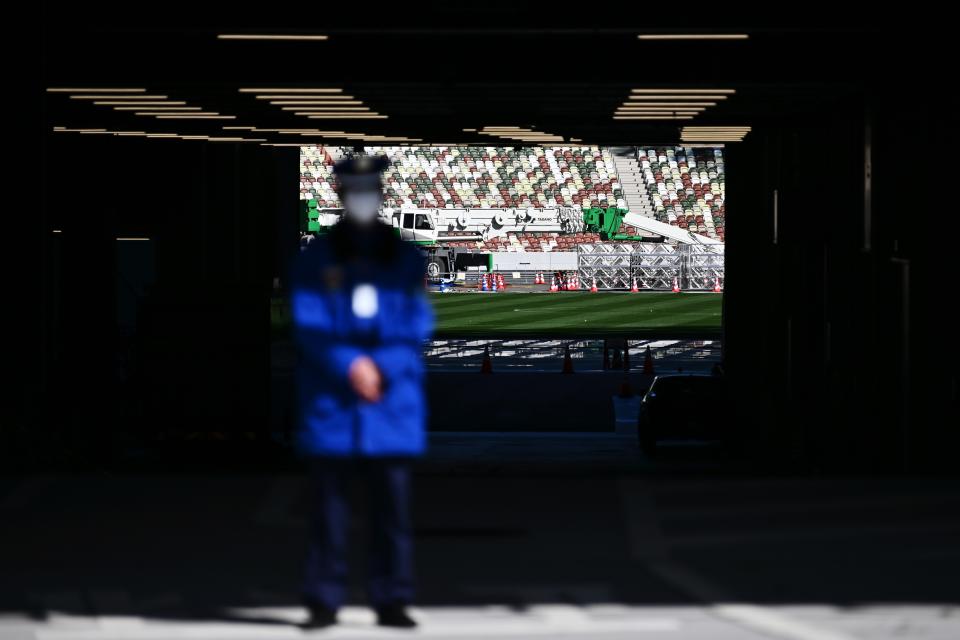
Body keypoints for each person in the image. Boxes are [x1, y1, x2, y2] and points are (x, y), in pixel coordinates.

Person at [288, 154, 434, 629]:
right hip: (336, 405)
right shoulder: (315, 260)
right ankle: (323, 598)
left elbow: (416, 325)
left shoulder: (406, 260)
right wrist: (353, 365)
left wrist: (379, 367)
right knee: (328, 515)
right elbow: (309, 327)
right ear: (341, 194)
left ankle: (391, 597)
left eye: (369, 188)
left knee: (391, 514)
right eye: (355, 189)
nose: (363, 197)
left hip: (388, 406)